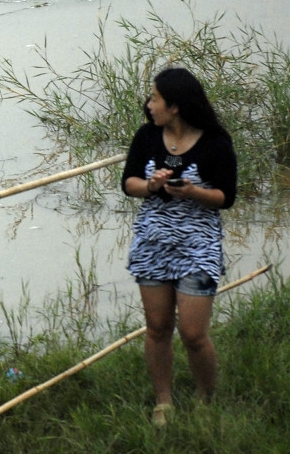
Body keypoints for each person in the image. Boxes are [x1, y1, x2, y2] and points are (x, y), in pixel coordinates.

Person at [120, 67, 237, 428]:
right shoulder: (148, 136)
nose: (149, 104)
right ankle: (164, 401)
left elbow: (225, 197)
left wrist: (193, 193)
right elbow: (129, 183)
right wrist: (152, 185)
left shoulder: (216, 141)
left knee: (193, 333)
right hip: (153, 244)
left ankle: (205, 398)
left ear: (176, 106)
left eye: (155, 98)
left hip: (198, 246)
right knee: (156, 327)